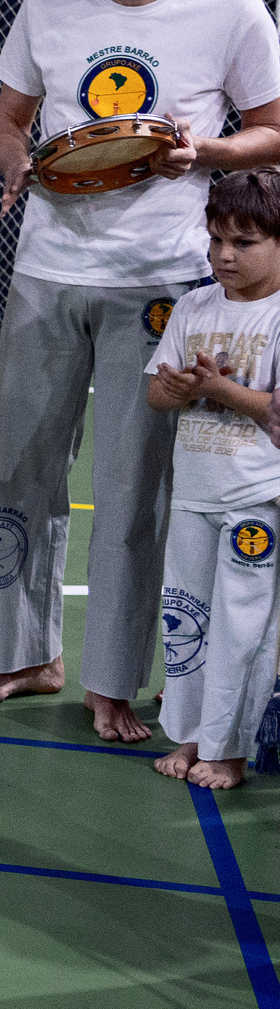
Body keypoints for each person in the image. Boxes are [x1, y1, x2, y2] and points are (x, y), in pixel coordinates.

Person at [0, 0, 280, 742]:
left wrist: (203, 153)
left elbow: (271, 132)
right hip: (46, 270)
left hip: (161, 283)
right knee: (19, 470)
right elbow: (9, 120)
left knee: (132, 486)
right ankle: (25, 654)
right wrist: (18, 163)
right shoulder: (48, 2)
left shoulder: (234, 15)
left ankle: (110, 678)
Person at [145, 172, 280, 789]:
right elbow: (156, 390)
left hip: (258, 497)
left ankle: (228, 748)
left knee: (242, 625)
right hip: (195, 489)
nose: (225, 254)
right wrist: (173, 389)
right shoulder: (194, 306)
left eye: (244, 242)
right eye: (216, 239)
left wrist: (216, 387)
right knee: (187, 616)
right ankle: (192, 731)